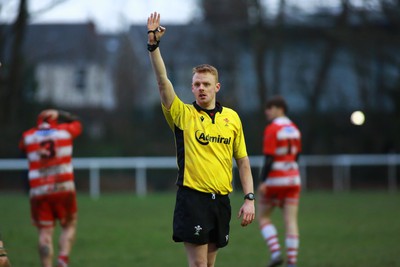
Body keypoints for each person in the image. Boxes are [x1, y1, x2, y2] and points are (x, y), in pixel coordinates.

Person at [147, 12, 255, 267]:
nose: (201, 88)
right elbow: (163, 82)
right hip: (193, 199)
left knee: (208, 264)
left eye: (206, 84)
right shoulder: (183, 114)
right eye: (197, 84)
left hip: (221, 200)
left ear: (217, 87)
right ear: (192, 87)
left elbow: (243, 162)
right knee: (198, 265)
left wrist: (249, 198)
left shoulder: (232, 118)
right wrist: (153, 46)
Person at [19, 109, 82, 267]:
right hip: (63, 187)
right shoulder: (65, 132)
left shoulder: (28, 136)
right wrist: (61, 114)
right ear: (55, 120)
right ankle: (62, 258)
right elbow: (78, 124)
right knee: (69, 225)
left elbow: (21, 147)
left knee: (45, 233)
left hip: (39, 190)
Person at [257, 96, 302, 267]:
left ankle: (275, 252)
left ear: (280, 109)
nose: (267, 111)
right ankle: (292, 262)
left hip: (275, 179)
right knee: (291, 221)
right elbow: (297, 156)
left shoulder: (273, 128)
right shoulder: (294, 128)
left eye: (270, 108)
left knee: (263, 217)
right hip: (293, 179)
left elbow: (269, 158)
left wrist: (263, 180)